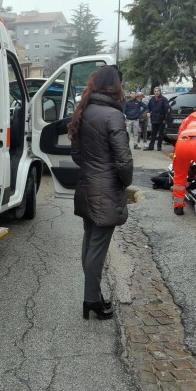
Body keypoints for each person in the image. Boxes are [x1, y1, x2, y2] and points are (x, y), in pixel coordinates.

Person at [68, 66, 133, 321]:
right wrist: (123, 183)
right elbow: (124, 161)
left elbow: (76, 153)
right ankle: (91, 299)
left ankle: (92, 294)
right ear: (115, 86)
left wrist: (91, 168)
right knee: (97, 248)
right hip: (106, 189)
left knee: (89, 243)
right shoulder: (112, 115)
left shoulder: (84, 110)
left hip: (87, 185)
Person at [143, 87, 170, 151]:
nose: (156, 92)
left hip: (161, 119)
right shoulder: (152, 99)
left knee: (160, 134)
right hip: (154, 119)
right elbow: (148, 107)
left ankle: (159, 146)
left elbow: (167, 110)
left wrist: (165, 119)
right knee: (153, 134)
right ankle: (151, 147)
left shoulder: (163, 99)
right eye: (155, 91)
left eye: (157, 91)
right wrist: (148, 112)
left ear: (160, 92)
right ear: (154, 92)